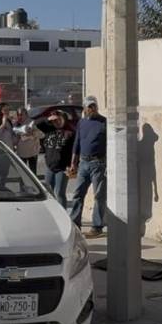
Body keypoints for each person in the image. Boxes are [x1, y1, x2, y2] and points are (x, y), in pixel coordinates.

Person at [17, 109, 75, 208]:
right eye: (54, 121)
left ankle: (63, 214)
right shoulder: (49, 129)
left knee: (59, 192)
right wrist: (48, 119)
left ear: (64, 119)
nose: (57, 122)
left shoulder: (70, 132)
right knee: (48, 192)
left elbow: (75, 151)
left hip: (63, 168)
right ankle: (53, 211)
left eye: (59, 120)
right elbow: (36, 122)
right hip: (49, 167)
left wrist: (73, 165)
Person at [68, 96, 106, 238]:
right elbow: (77, 143)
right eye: (89, 106)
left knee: (99, 195)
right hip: (83, 163)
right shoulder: (82, 123)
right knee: (78, 194)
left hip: (98, 163)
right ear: (84, 108)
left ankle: (97, 226)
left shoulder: (104, 122)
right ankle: (75, 223)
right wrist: (73, 163)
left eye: (93, 106)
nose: (91, 109)